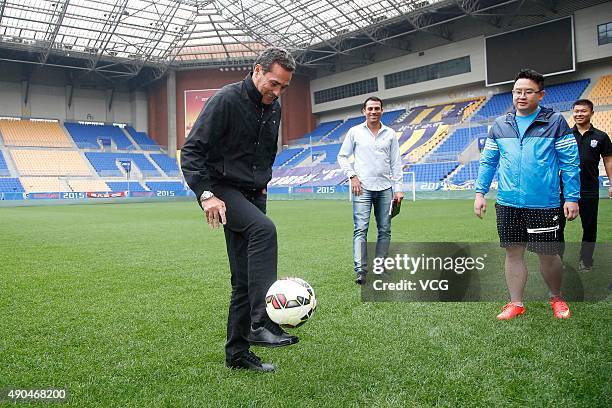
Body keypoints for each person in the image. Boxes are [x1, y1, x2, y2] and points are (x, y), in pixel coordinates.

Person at [181, 47, 298, 373]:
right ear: (256, 70)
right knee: (264, 229)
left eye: (284, 88)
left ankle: (237, 354)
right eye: (273, 84)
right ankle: (261, 321)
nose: (277, 93)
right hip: (222, 189)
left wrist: (262, 182)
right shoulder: (226, 100)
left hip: (254, 192)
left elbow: (264, 151)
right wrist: (206, 195)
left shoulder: (273, 106)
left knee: (243, 281)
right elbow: (191, 150)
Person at [474, 68, 581, 320]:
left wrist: (572, 197)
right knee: (513, 252)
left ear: (541, 95)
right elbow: (488, 162)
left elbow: (570, 162)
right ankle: (516, 303)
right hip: (508, 203)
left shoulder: (555, 122)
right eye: (517, 91)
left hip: (544, 203)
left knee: (547, 253)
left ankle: (556, 297)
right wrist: (480, 193)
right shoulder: (500, 125)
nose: (521, 96)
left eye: (528, 92)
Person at [337, 96, 404, 285]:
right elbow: (342, 156)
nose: (373, 112)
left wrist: (398, 189)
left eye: (377, 108)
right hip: (362, 188)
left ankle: (381, 268)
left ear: (382, 111)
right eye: (370, 109)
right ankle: (361, 271)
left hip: (385, 188)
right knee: (361, 229)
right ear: (363, 111)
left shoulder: (390, 134)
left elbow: (396, 163)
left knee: (385, 229)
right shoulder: (354, 132)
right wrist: (352, 176)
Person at [558, 99, 612, 272]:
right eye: (576, 111)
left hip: (589, 189)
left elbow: (609, 161)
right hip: (564, 189)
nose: (579, 114)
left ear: (591, 113)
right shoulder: (564, 135)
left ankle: (586, 260)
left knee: (589, 228)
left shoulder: (601, 136)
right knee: (558, 227)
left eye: (583, 111)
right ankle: (558, 261)